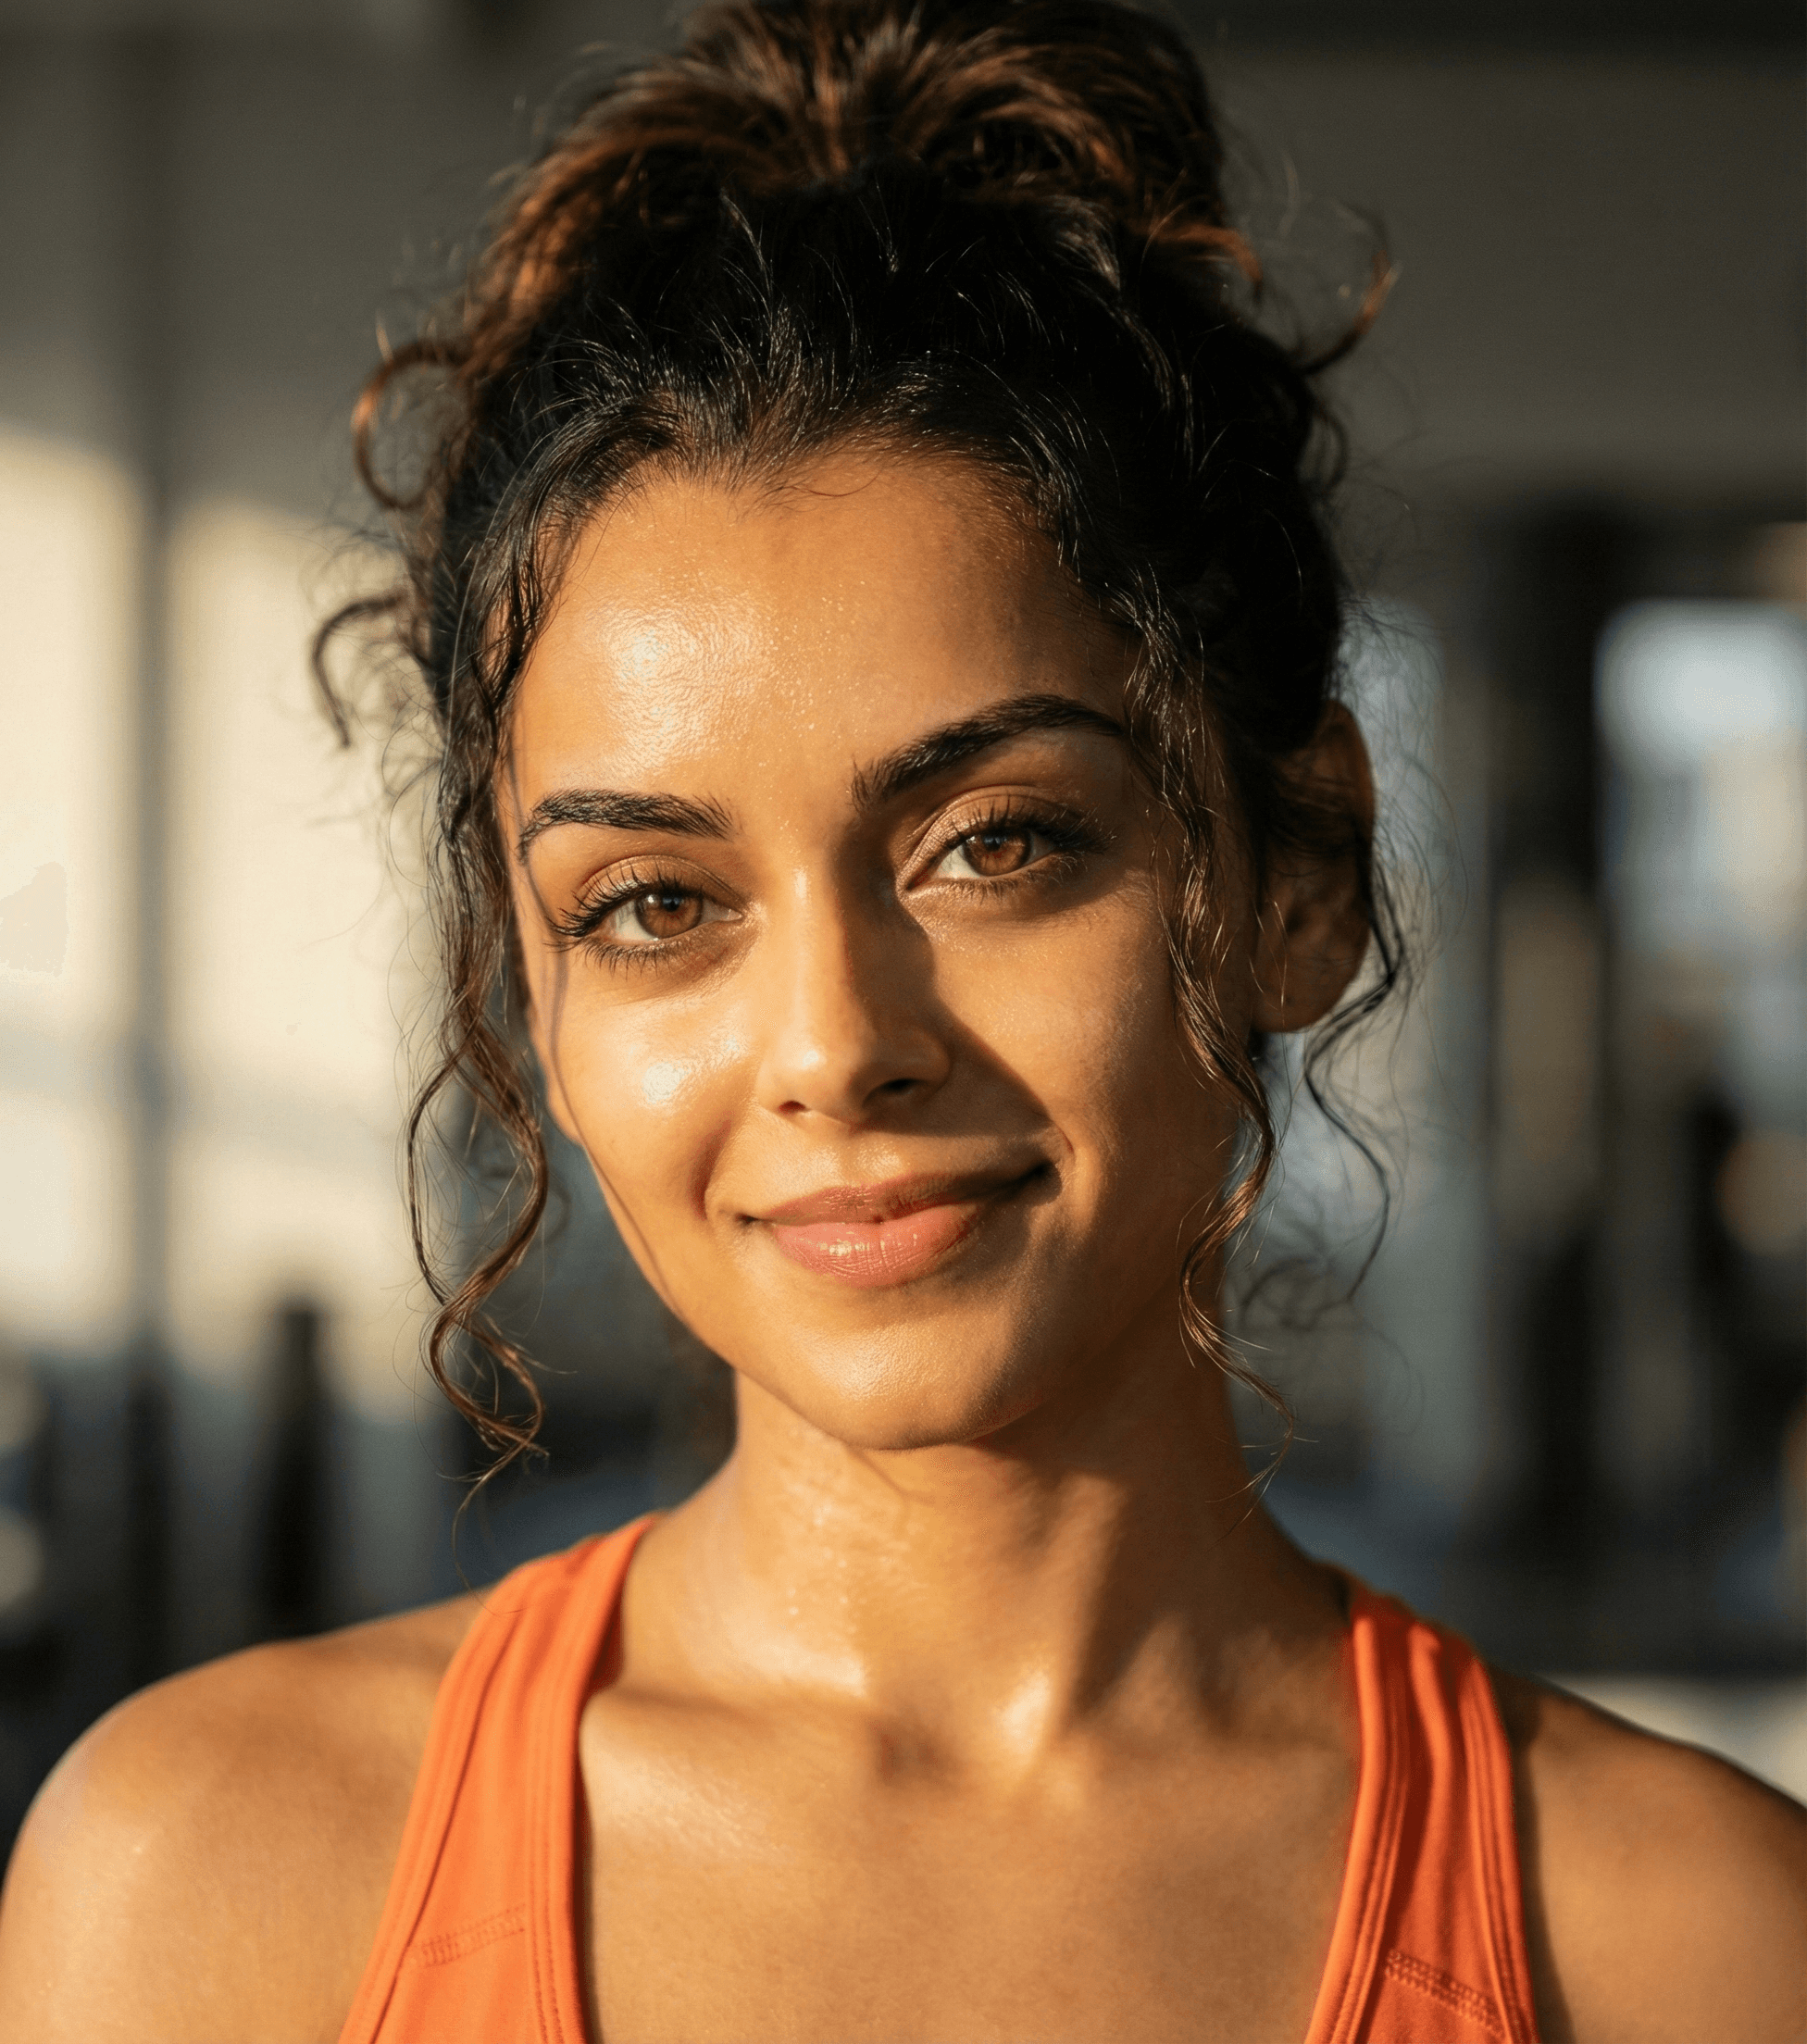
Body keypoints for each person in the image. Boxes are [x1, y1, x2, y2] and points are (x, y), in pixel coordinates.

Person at [2, 1, 1802, 2038]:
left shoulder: (1685, 1950)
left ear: (1299, 873)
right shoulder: (210, 1884)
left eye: (998, 845)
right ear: (530, 988)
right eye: (659, 903)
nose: (834, 1042)